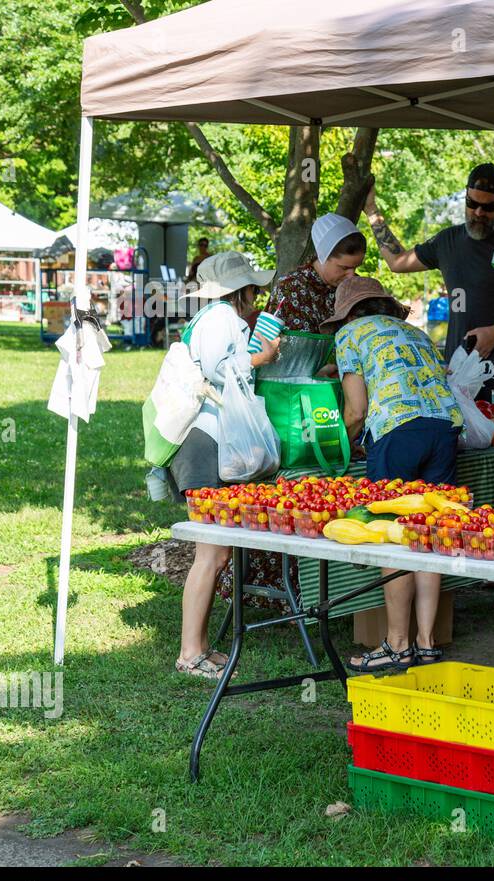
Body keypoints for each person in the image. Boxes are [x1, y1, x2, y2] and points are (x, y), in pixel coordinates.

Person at [323, 276, 464, 672]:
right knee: (428, 532)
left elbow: (355, 410)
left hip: (398, 430)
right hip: (444, 427)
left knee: (393, 536)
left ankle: (397, 644)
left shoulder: (350, 333)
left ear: (348, 312)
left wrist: (346, 446)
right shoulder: (413, 331)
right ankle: (427, 642)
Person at [171, 252, 280, 679]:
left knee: (215, 553)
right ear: (241, 289)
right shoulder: (220, 317)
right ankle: (188, 654)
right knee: (210, 553)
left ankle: (198, 646)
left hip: (210, 442)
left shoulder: (216, 317)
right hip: (204, 444)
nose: (257, 294)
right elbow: (218, 369)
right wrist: (260, 358)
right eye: (252, 287)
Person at [364, 164, 494, 400]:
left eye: (488, 207)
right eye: (471, 203)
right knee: (458, 437)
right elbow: (397, 262)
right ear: (465, 195)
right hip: (457, 366)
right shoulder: (447, 241)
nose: (478, 212)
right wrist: (371, 209)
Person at [267, 214, 366, 335]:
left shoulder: (358, 287)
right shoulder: (290, 288)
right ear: (323, 256)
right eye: (344, 268)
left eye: (355, 267)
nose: (351, 275)